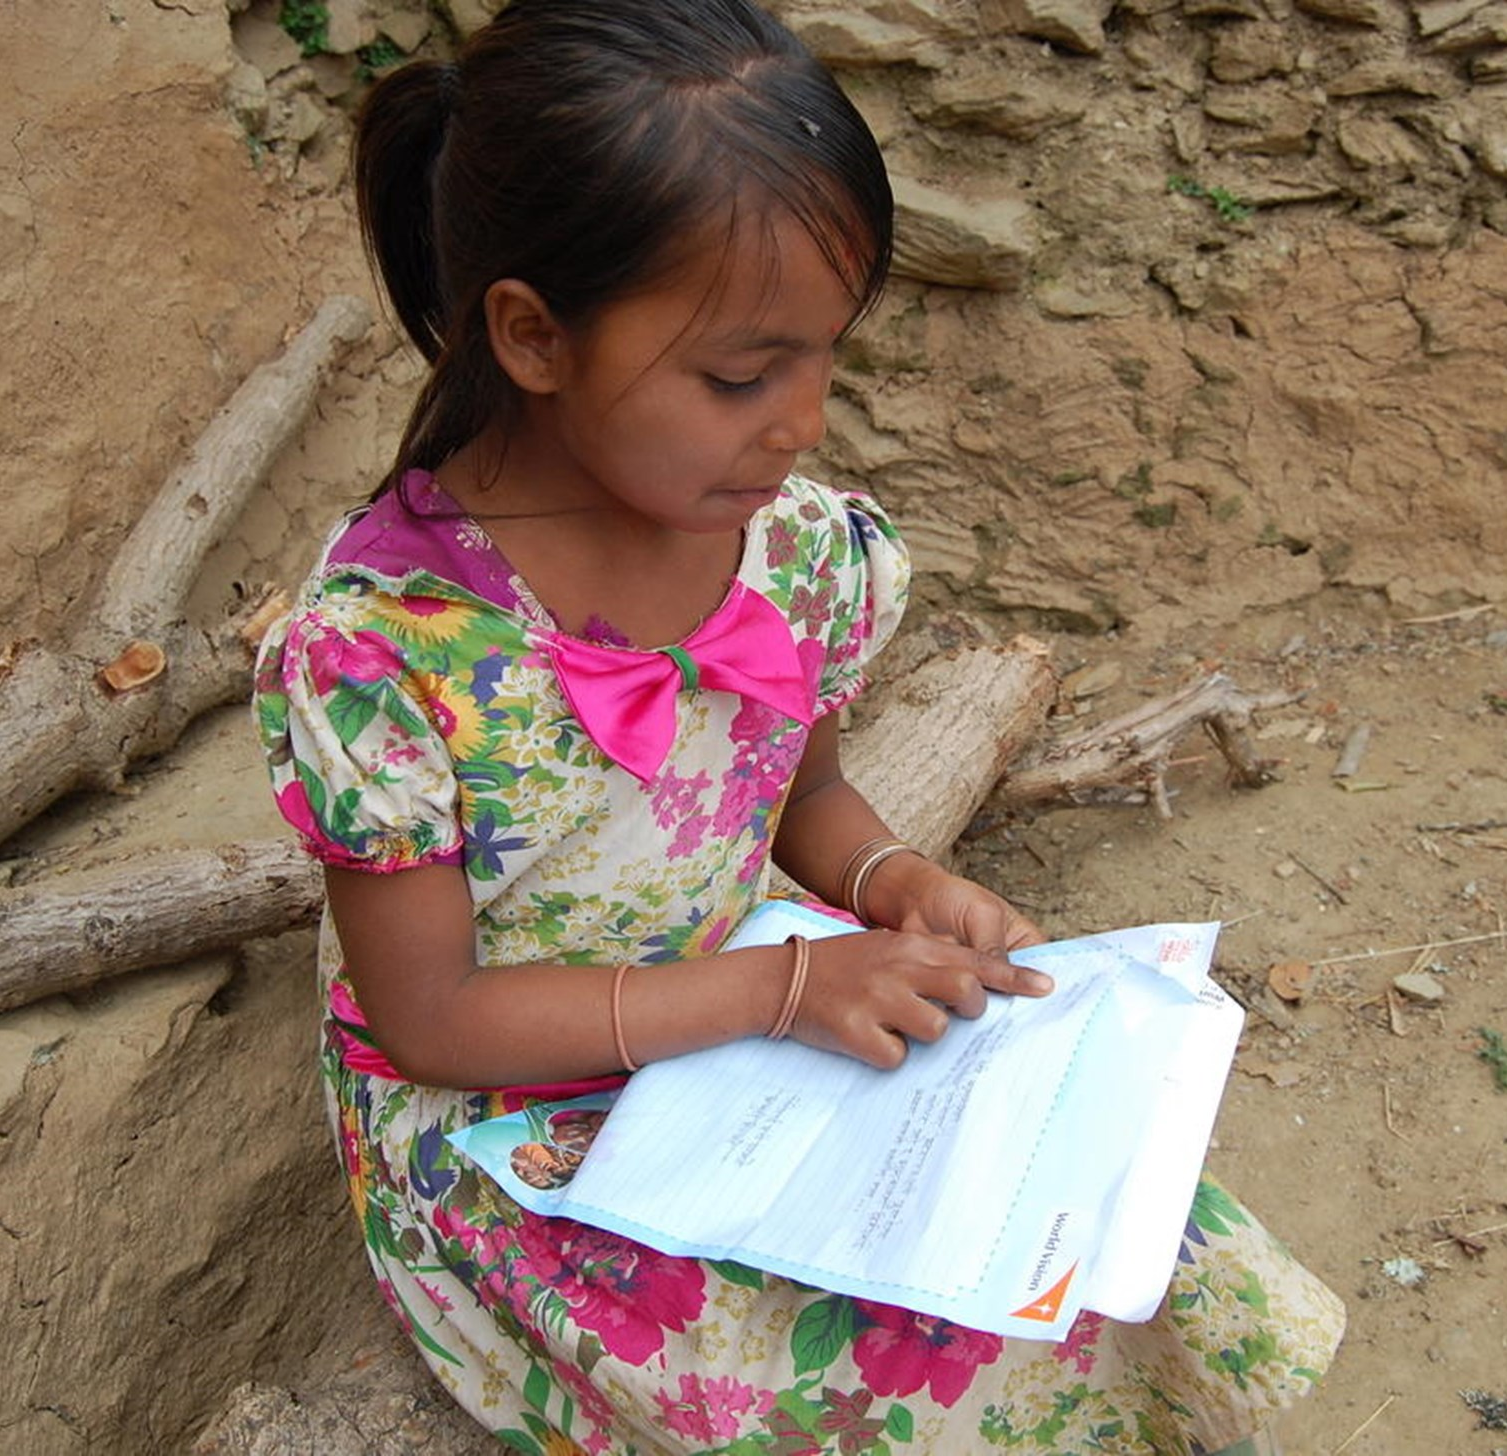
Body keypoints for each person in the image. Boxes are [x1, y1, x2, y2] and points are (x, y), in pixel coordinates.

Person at [253, 2, 1344, 1451]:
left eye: (827, 355)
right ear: (531, 334)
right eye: (739, 376)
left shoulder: (798, 552)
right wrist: (775, 999)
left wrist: (896, 884)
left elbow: (804, 800)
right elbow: (432, 1019)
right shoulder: (384, 653)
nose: (804, 422)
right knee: (850, 1376)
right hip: (510, 1127)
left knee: (1122, 1243)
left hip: (741, 1029)